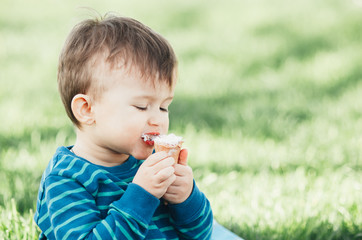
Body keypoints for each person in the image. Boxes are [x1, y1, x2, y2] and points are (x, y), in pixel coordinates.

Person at [34, 14, 213, 239]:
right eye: (141, 106)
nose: (158, 120)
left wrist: (187, 198)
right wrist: (141, 196)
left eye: (164, 107)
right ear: (87, 110)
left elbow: (203, 234)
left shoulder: (149, 165)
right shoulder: (66, 180)